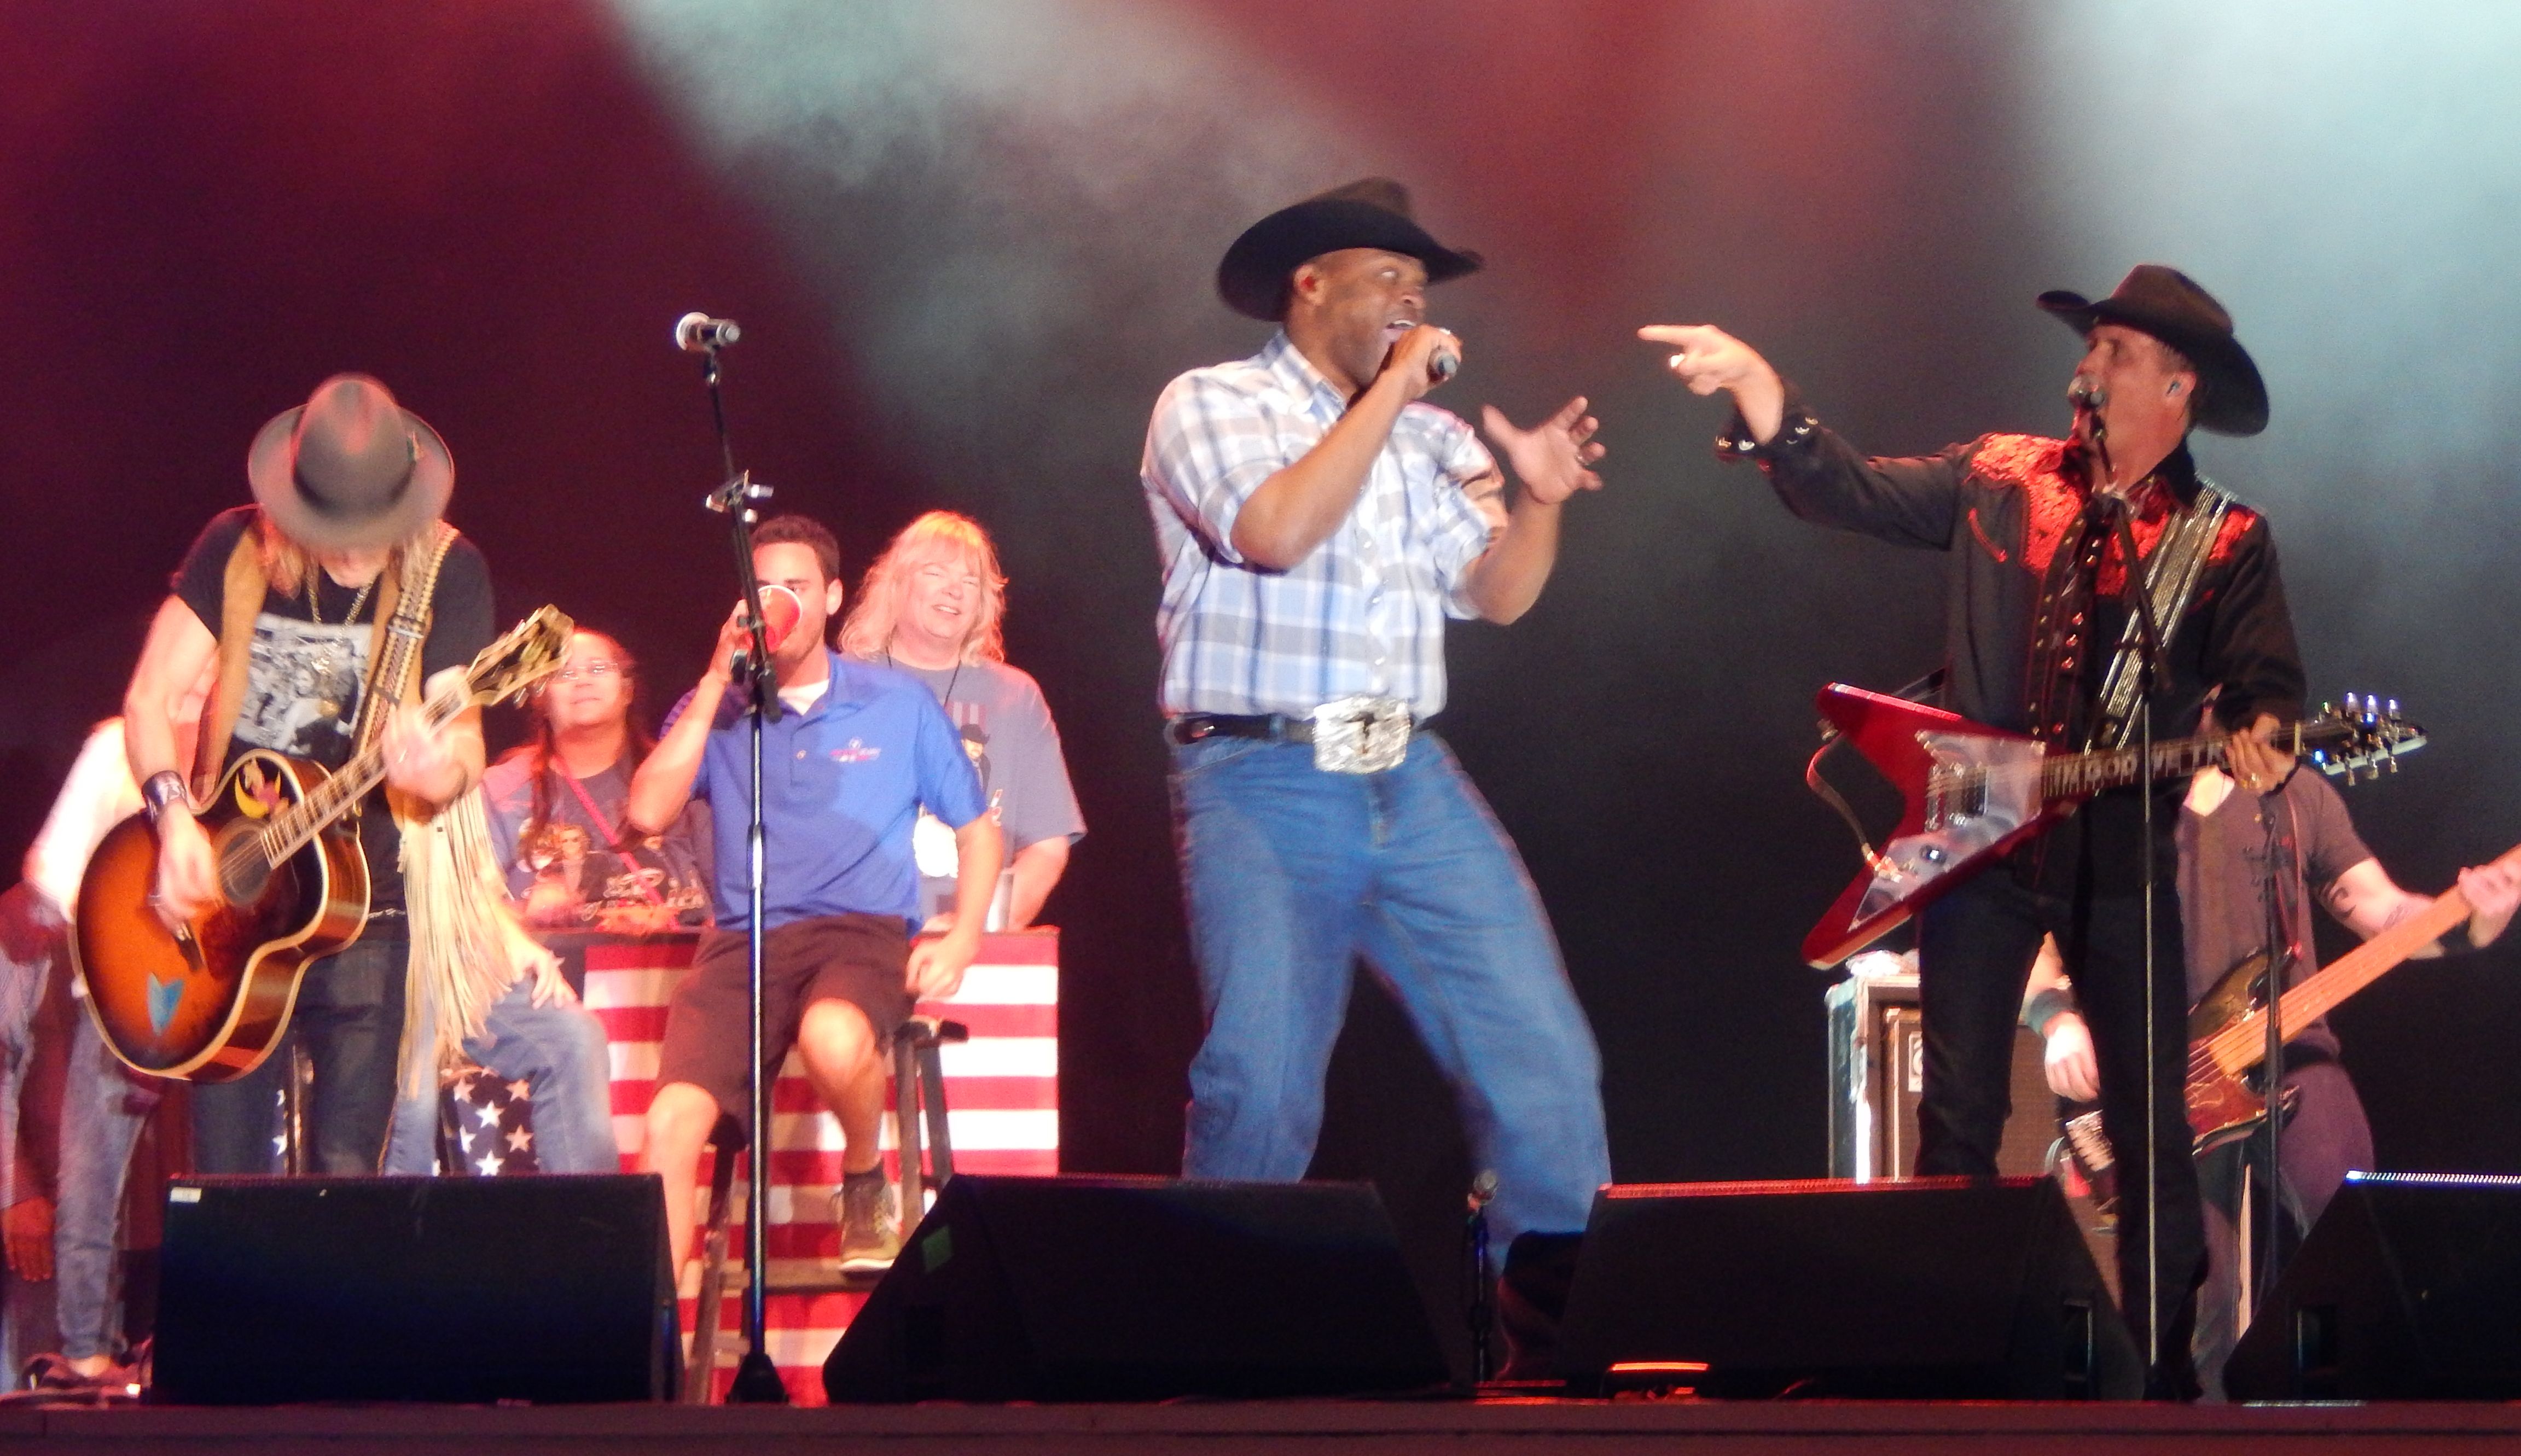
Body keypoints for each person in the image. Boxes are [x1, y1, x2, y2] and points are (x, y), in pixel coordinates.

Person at [1647, 265, 2307, 1393]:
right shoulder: (2000, 476)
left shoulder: (2225, 538)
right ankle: (1947, 1367)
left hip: (2120, 864)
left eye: (2113, 352)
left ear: (2176, 384)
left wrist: (2263, 736)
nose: (2085, 368)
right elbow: (1850, 490)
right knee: (1956, 1112)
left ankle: (2160, 1386)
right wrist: (1762, 389)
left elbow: (2268, 694)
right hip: (1971, 846)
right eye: (2089, 346)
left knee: (2149, 1125)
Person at [1140, 177, 1613, 1262]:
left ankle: (1557, 1315)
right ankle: (1209, 1330)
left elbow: (1495, 595)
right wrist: (1393, 390)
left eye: (1421, 287)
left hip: (1410, 774)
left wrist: (1538, 500)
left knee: (1538, 1055)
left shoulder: (1433, 438)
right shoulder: (1209, 403)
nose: (1413, 302)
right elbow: (1272, 531)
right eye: (1389, 276)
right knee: (1261, 1082)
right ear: (1310, 284)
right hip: (1262, 777)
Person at [2026, 764, 2521, 1398]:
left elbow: (2382, 909)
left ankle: (2345, 1414)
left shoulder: (2295, 793)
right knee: (2197, 1294)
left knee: (2352, 1219)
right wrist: (2057, 1020)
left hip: (2292, 1047)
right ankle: (2196, 1430)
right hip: (2162, 1076)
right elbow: (2032, 940)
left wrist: (2472, 920)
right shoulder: (2107, 800)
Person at [121, 374, 501, 1175]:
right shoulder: (234, 546)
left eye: (374, 528)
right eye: (333, 527)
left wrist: (434, 773)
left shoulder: (449, 567)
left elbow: (464, 738)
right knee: (226, 1174)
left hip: (367, 907)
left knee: (346, 1173)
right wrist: (173, 817)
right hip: (232, 905)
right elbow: (151, 696)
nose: (355, 551)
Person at [630, 515, 998, 1274]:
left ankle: (864, 1178)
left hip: (859, 931)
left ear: (831, 596)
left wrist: (963, 935)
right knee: (669, 1124)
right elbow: (646, 812)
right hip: (742, 942)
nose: (778, 603)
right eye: (762, 588)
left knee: (833, 1035)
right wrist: (714, 680)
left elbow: (978, 829)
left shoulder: (895, 702)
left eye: (795, 586)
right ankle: (653, 1332)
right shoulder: (717, 706)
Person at [837, 511, 1084, 931]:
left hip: (975, 941)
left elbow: (1047, 846)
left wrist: (975, 929)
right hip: (855, 939)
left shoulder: (1015, 696)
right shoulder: (839, 685)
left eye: (970, 582)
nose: (954, 590)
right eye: (936, 573)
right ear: (897, 583)